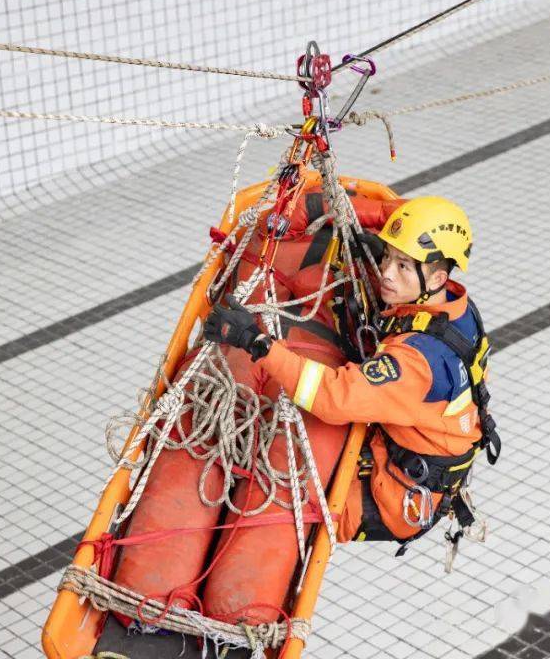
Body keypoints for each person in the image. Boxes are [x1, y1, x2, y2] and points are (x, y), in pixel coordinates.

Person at [204, 195, 500, 554]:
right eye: (388, 257)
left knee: (276, 502)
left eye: (404, 266)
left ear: (437, 277)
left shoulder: (414, 361)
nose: (387, 273)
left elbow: (331, 397)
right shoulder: (455, 310)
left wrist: (254, 341)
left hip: (391, 497)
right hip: (408, 450)